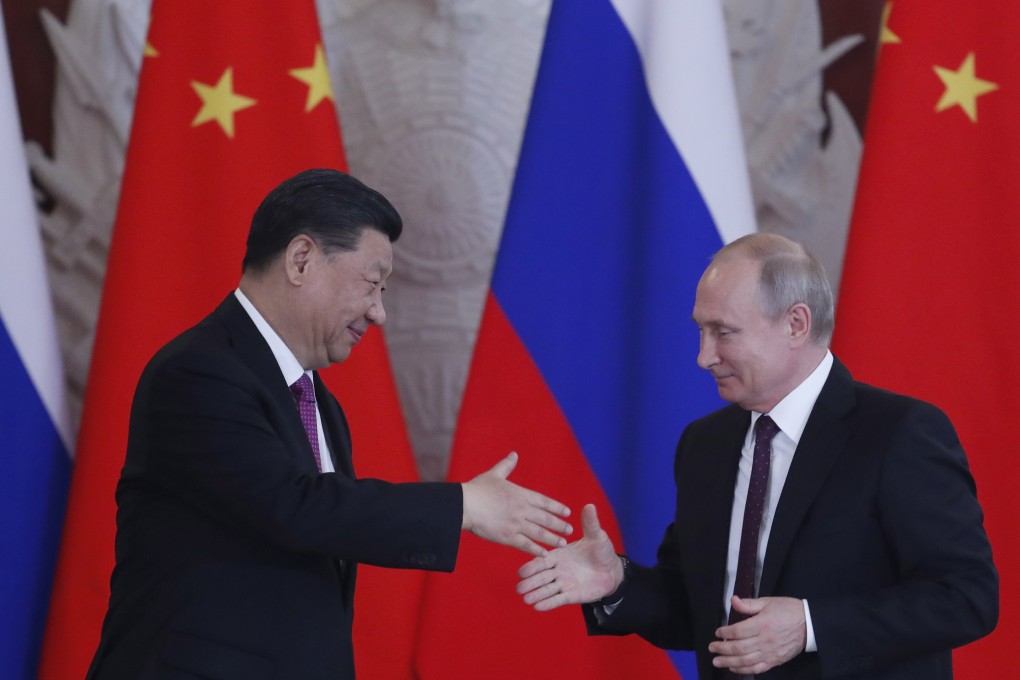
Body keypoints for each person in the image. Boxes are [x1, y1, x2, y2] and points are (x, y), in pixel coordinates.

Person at [85, 168, 573, 680]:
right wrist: (463, 506)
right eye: (372, 283)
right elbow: (293, 507)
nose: (379, 312)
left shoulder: (320, 403)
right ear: (301, 260)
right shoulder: (198, 371)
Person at [517, 233, 998, 678]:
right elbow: (695, 610)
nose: (703, 357)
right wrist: (617, 582)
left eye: (723, 332)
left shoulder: (899, 433)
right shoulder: (704, 444)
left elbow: (967, 597)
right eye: (700, 331)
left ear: (795, 323)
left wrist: (810, 626)